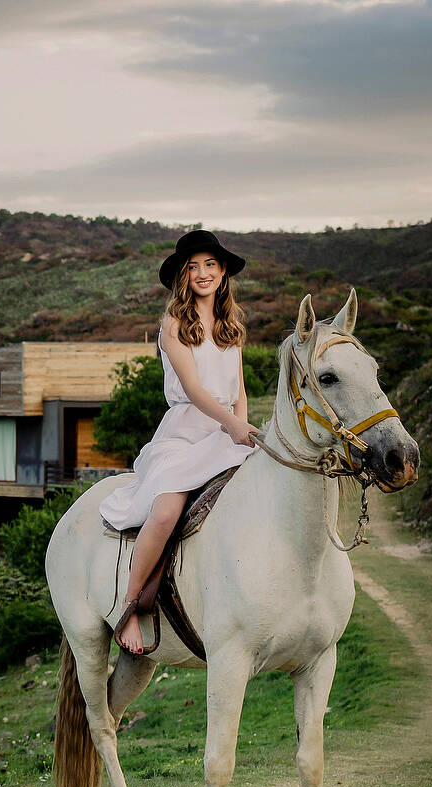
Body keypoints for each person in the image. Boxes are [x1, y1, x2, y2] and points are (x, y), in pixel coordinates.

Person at [98, 229, 261, 654]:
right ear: (182, 278)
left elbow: (238, 390)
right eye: (192, 268)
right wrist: (233, 425)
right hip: (185, 434)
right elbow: (193, 388)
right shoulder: (173, 325)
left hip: (226, 432)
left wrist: (241, 427)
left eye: (210, 264)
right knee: (168, 507)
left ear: (223, 271)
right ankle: (130, 606)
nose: (202, 273)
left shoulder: (232, 326)